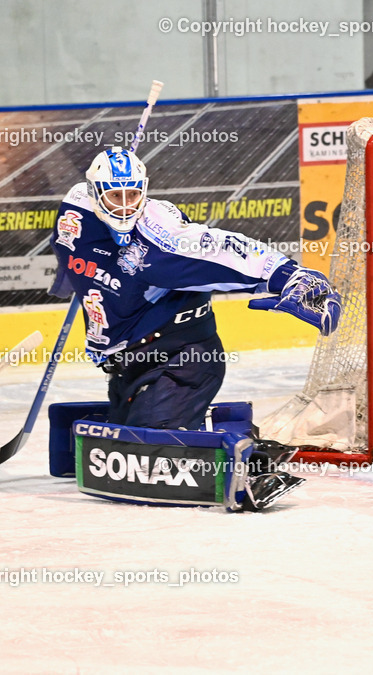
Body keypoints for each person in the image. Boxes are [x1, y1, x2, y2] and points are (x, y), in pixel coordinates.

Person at [48, 146, 341, 508]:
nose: (125, 205)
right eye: (114, 195)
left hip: (178, 360)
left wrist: (290, 277)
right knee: (122, 452)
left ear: (145, 189)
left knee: (148, 465)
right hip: (127, 366)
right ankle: (217, 430)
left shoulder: (161, 240)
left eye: (133, 194)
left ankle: (253, 464)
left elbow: (221, 248)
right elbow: (74, 255)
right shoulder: (74, 209)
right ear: (94, 192)